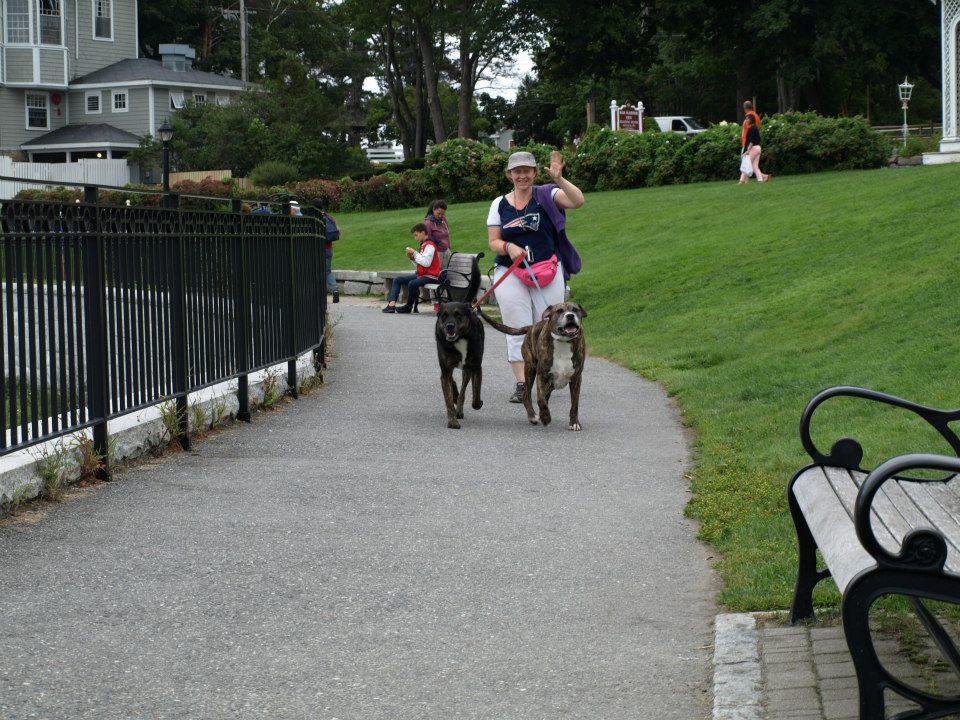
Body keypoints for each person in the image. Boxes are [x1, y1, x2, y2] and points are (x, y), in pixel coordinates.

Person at [486, 150, 585, 403]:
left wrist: (559, 179)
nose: (522, 176)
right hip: (511, 270)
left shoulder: (547, 194)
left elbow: (577, 201)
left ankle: (547, 376)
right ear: (509, 174)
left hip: (547, 269)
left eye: (527, 171)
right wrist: (509, 247)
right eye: (517, 171)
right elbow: (493, 241)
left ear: (535, 173)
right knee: (517, 326)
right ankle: (523, 383)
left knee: (549, 325)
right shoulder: (499, 204)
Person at [382, 223, 442, 314]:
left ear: (423, 233)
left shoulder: (430, 245)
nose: (415, 238)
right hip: (422, 274)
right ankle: (391, 305)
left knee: (412, 283)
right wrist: (412, 258)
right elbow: (421, 264)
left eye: (416, 235)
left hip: (431, 276)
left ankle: (408, 306)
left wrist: (415, 253)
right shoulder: (424, 244)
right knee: (397, 280)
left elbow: (426, 263)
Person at [740, 114, 769, 184]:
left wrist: (748, 150)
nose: (746, 120)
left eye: (747, 119)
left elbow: (751, 141)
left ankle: (742, 181)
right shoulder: (755, 127)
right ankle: (760, 179)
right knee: (755, 166)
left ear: (751, 120)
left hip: (753, 148)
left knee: (746, 164)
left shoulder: (751, 128)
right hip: (758, 148)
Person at [424, 200, 451, 266]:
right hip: (436, 253)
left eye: (442, 214)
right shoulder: (428, 223)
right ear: (434, 209)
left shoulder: (444, 219)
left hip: (446, 251)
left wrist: (449, 247)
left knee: (448, 270)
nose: (440, 216)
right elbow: (427, 241)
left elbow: (447, 235)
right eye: (438, 213)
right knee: (438, 271)